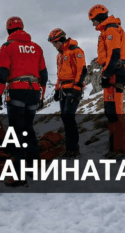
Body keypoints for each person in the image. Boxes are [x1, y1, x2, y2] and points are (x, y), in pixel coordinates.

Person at [0, 16, 47, 187]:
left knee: (16, 132)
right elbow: (44, 75)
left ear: (9, 30)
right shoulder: (36, 47)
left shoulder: (8, 47)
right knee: (28, 128)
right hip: (34, 92)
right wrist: (42, 95)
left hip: (17, 91)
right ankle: (33, 166)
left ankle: (18, 175)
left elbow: (3, 73)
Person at [88, 4, 125, 158]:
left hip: (115, 73)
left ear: (98, 17)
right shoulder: (106, 30)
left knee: (116, 112)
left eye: (93, 20)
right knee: (111, 111)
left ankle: (120, 149)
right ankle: (114, 146)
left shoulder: (111, 29)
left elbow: (114, 54)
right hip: (111, 72)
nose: (93, 23)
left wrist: (106, 74)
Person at [47, 28, 87, 158]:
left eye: (54, 43)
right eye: (52, 44)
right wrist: (57, 89)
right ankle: (69, 147)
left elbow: (82, 70)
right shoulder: (59, 55)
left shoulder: (76, 50)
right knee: (65, 117)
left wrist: (77, 87)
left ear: (61, 39)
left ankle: (74, 148)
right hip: (63, 88)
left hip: (73, 88)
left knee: (69, 117)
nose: (54, 46)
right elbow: (59, 74)